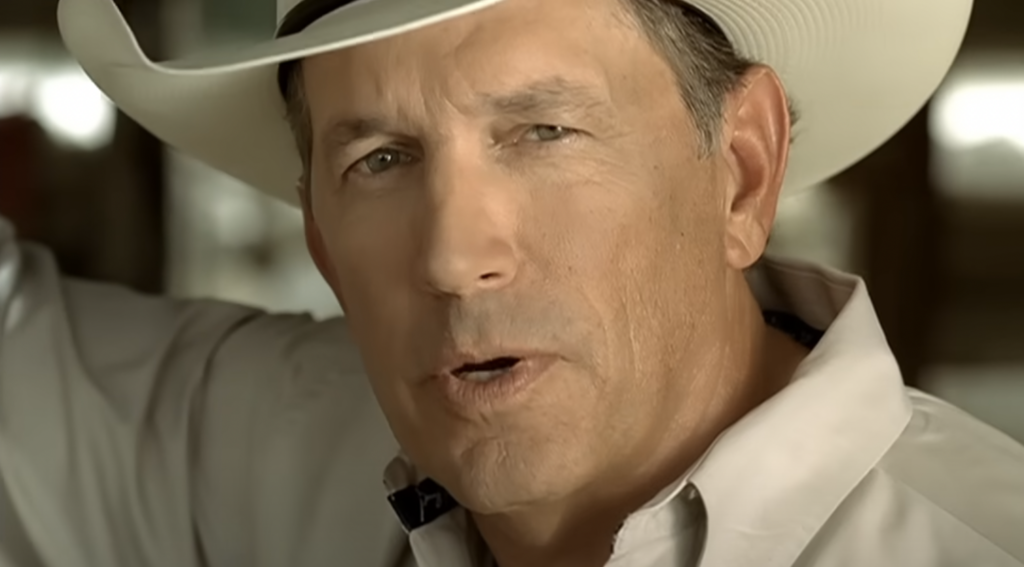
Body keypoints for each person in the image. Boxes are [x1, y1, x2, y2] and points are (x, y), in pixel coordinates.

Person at [1, 0, 1021, 565]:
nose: (453, 258)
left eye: (543, 131)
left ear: (741, 172)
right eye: (382, 161)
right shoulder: (287, 443)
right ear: (320, 238)